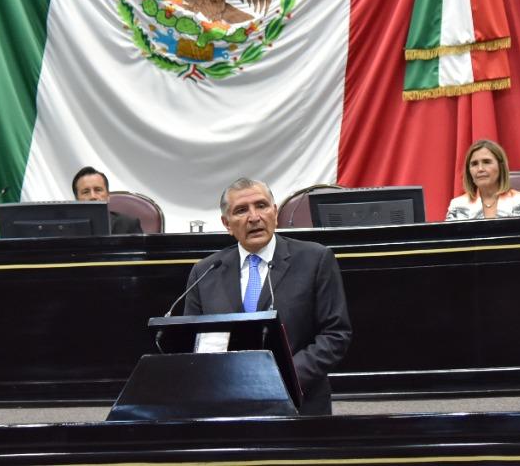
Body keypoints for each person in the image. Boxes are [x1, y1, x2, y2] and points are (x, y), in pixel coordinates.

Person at [183, 177, 351, 415]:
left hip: (299, 403)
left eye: (261, 206)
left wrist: (284, 376)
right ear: (227, 223)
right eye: (241, 210)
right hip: (226, 404)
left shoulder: (315, 259)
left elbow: (335, 334)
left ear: (274, 212)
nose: (254, 217)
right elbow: (192, 342)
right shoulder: (206, 271)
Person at [445, 139, 520, 220]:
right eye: (474, 164)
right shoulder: (457, 206)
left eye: (487, 162)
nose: (480, 169)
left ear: (500, 167)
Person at [71, 166, 145, 234]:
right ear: (77, 199)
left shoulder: (128, 225)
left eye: (98, 190)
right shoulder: (68, 227)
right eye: (86, 192)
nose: (93, 196)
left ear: (108, 196)